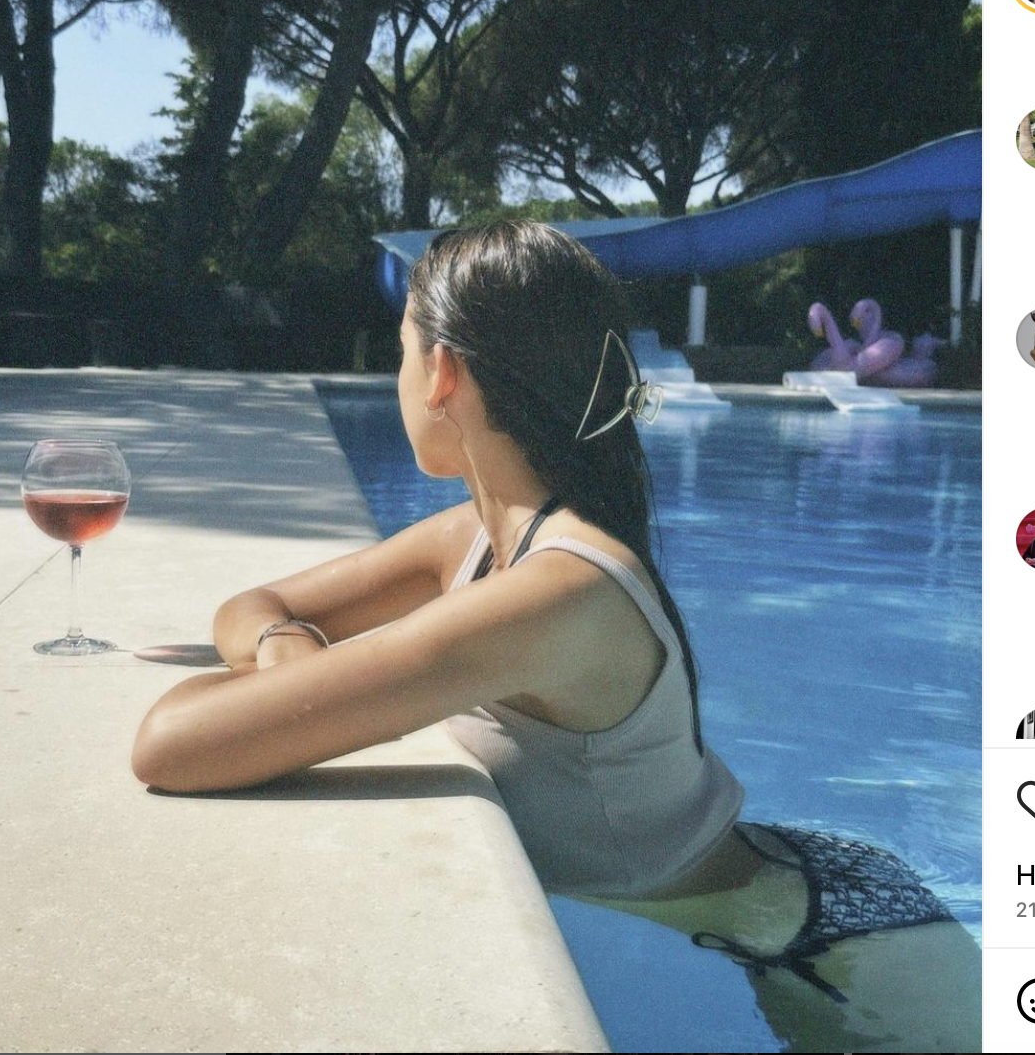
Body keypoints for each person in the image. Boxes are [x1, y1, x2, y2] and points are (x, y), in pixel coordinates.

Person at [129, 220, 978, 1051]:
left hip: (827, 938)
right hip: (777, 890)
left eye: (400, 351)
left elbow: (170, 743)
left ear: (441, 373)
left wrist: (290, 675)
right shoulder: (475, 537)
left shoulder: (554, 597)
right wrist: (289, 656)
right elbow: (253, 604)